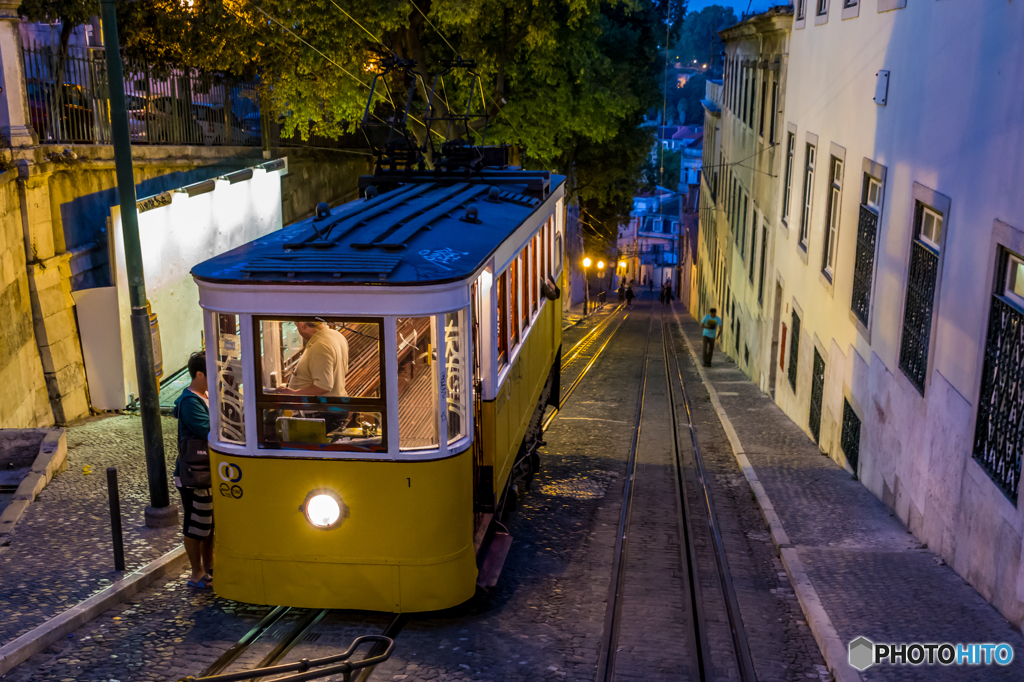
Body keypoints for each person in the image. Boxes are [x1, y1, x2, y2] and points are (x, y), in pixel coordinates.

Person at [173, 352, 214, 589]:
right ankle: (196, 572)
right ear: (199, 374)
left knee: (208, 524)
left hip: (207, 471)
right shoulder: (190, 402)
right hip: (193, 473)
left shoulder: (208, 396)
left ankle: (209, 567)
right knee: (195, 522)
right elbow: (208, 430)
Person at [277, 320, 350, 397]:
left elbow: (323, 386)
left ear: (302, 325)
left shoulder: (320, 346)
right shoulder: (337, 335)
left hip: (321, 407)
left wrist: (294, 393)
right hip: (336, 401)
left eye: (296, 326)